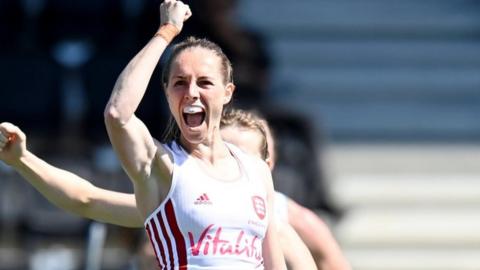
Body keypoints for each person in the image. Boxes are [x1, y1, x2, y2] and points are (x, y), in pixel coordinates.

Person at [0, 108, 348, 269]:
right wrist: (23, 161)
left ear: (266, 166)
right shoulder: (178, 205)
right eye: (223, 151)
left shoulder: (284, 228)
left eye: (241, 156)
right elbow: (86, 199)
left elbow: (331, 260)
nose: (225, 162)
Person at [102, 0, 285, 269]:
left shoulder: (256, 170)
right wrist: (166, 32)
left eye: (205, 82)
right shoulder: (162, 165)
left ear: (227, 93)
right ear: (167, 94)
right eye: (179, 83)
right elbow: (118, 114)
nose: (192, 93)